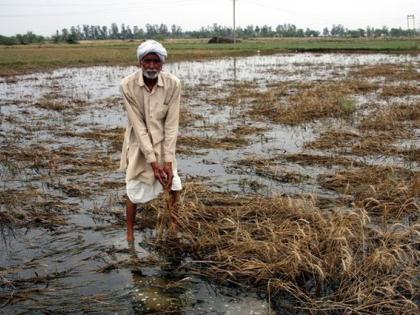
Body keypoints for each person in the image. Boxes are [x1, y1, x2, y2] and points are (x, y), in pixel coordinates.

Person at [119, 40, 182, 242]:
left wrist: (167, 162)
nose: (152, 66)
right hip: (139, 145)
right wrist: (153, 162)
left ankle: (174, 229)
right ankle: (130, 234)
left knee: (173, 186)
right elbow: (138, 127)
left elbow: (172, 125)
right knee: (134, 188)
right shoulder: (127, 85)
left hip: (164, 143)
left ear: (162, 64)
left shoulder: (173, 84)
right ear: (140, 62)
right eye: (148, 61)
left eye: (156, 61)